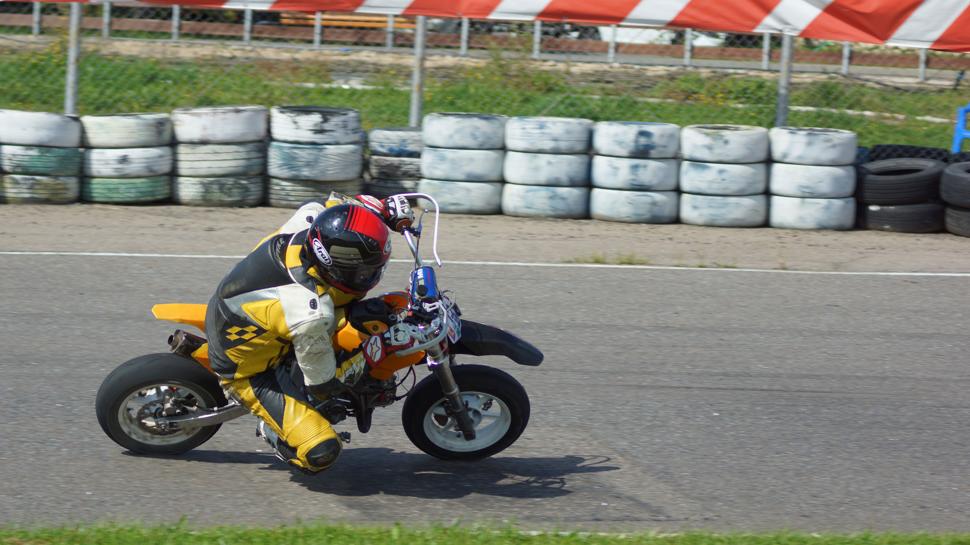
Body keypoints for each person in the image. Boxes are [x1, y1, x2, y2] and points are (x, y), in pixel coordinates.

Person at [204, 192, 414, 473]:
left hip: (245, 305)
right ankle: (273, 430)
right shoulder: (310, 315)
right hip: (250, 371)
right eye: (364, 272)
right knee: (321, 453)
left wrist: (383, 209)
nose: (370, 276)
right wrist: (383, 346)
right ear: (337, 267)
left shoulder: (311, 218)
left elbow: (337, 202)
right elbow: (324, 385)